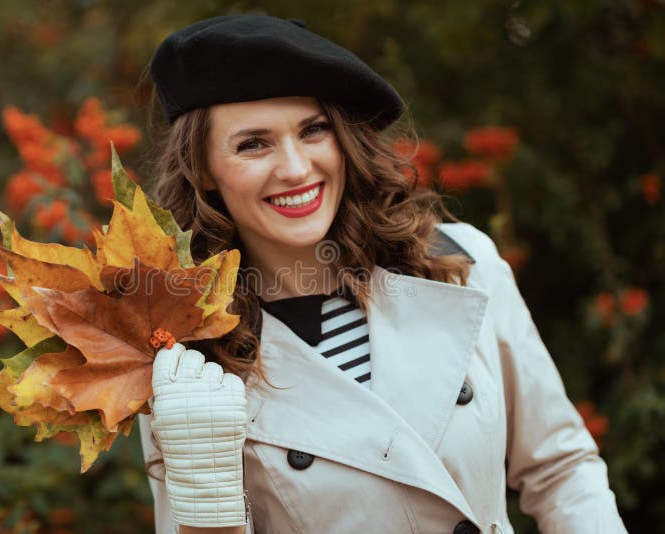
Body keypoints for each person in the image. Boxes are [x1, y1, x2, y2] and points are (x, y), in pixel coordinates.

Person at [135, 14, 628, 534]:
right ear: (204, 169)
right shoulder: (186, 355)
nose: (297, 168)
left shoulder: (460, 262)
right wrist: (205, 505)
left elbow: (562, 469)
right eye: (253, 144)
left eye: (314, 130)